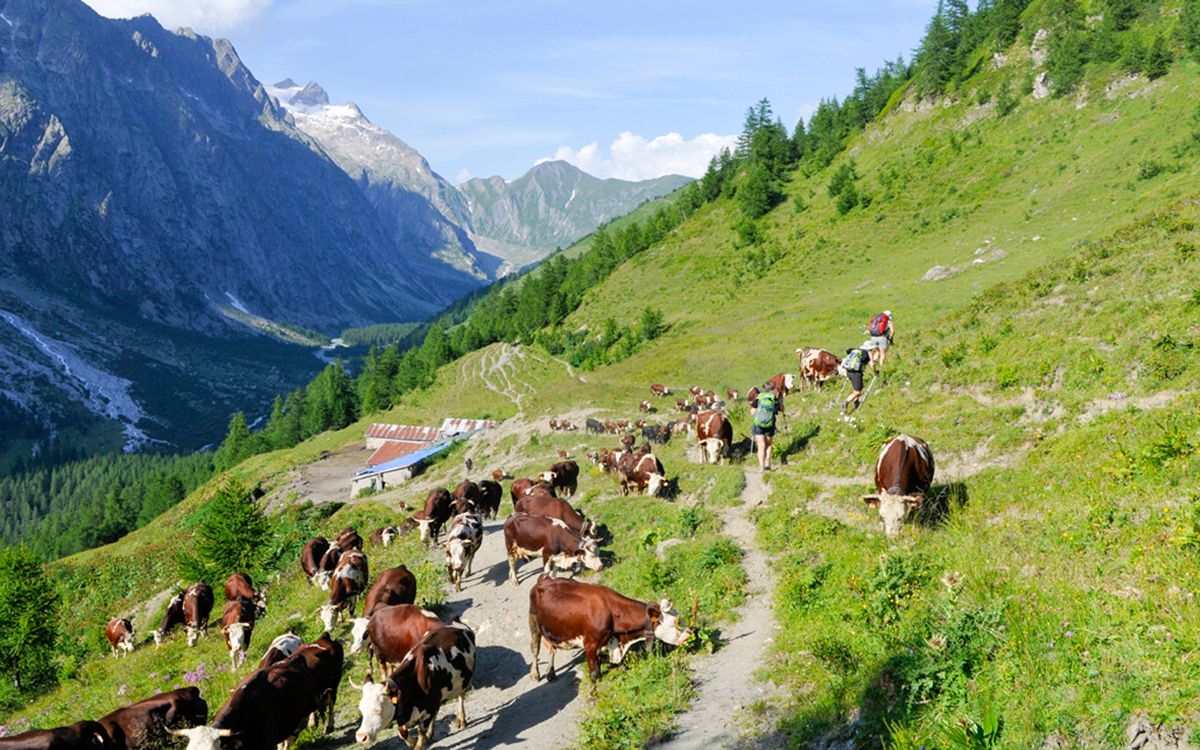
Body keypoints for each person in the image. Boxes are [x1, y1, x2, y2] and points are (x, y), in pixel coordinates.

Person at [749, 380, 778, 471]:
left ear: (764, 389)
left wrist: (758, 413)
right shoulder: (774, 399)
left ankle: (761, 466)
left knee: (761, 446)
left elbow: (752, 413)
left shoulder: (758, 399)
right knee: (768, 444)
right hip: (770, 424)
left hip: (759, 425)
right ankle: (767, 463)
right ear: (773, 389)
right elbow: (781, 409)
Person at [842, 345, 873, 414]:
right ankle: (845, 403)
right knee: (857, 391)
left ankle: (856, 402)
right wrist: (875, 372)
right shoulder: (867, 353)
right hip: (856, 373)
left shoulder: (856, 351)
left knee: (859, 387)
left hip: (849, 372)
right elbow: (872, 364)